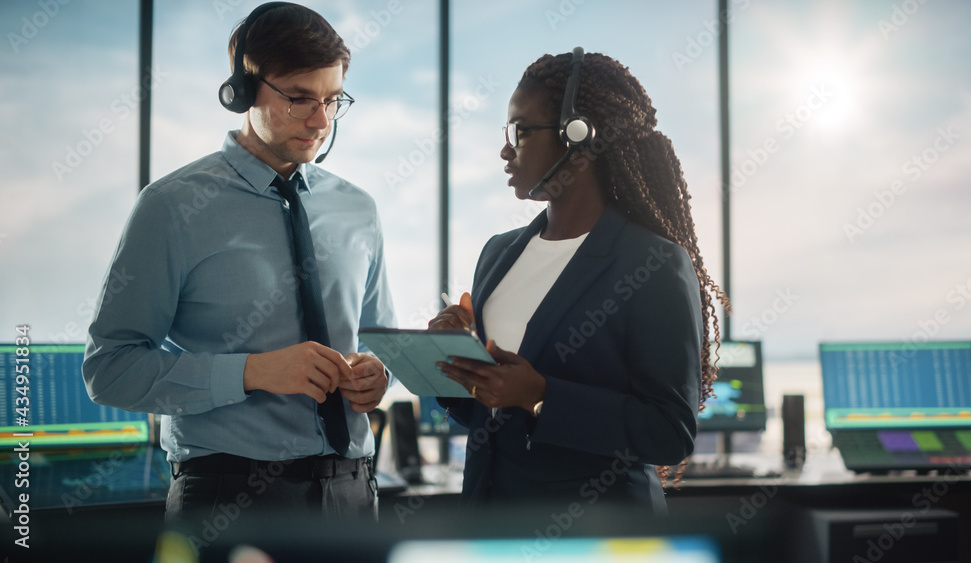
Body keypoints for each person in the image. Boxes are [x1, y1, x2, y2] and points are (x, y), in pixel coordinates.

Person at [82, 2, 395, 535]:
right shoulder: (171, 207)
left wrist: (377, 374)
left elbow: (380, 340)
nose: (320, 121)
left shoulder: (358, 207)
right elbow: (109, 370)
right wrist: (252, 371)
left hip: (354, 494)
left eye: (332, 100)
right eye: (298, 99)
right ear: (243, 91)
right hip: (228, 499)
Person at [430, 49, 727, 513]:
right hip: (494, 524)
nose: (506, 150)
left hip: (599, 531)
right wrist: (450, 365)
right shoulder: (498, 253)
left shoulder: (653, 263)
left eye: (520, 131)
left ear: (577, 136)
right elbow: (490, 414)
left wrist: (541, 396)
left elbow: (669, 432)